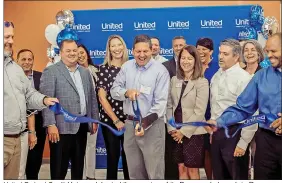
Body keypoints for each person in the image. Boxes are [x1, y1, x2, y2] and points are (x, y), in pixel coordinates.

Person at [208, 33, 282, 180]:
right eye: (267, 51)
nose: (269, 55)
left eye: (274, 51)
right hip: (266, 140)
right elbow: (243, 107)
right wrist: (219, 121)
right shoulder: (261, 77)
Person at [4, 21, 58, 179]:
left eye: (12, 37)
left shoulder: (15, 69)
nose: (11, 41)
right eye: (7, 37)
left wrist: (45, 100)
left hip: (17, 138)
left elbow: (29, 94)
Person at [110, 34, 170, 179]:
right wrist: (126, 92)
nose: (141, 55)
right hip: (130, 125)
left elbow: (160, 104)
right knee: (134, 173)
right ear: (132, 51)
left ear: (151, 50)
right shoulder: (126, 67)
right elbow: (113, 90)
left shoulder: (160, 71)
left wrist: (144, 123)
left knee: (154, 172)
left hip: (152, 126)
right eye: (138, 51)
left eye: (145, 51)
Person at [40, 39, 99, 180]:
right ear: (61, 53)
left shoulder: (85, 72)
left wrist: (94, 118)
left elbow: (92, 98)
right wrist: (50, 124)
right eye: (68, 51)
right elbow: (47, 100)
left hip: (82, 126)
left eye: (75, 50)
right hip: (61, 128)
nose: (72, 53)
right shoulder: (51, 71)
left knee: (78, 169)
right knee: (59, 169)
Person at [208, 39, 257, 180]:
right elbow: (215, 105)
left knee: (236, 176)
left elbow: (253, 112)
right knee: (218, 176)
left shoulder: (244, 79)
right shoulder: (217, 76)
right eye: (219, 53)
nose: (220, 56)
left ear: (236, 57)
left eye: (225, 53)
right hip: (218, 134)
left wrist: (243, 143)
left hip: (236, 134)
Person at [166, 45, 209, 179]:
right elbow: (169, 106)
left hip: (193, 133)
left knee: (192, 170)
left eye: (189, 58)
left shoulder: (202, 82)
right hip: (175, 131)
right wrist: (172, 128)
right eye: (182, 58)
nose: (185, 61)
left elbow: (200, 111)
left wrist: (183, 132)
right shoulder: (174, 80)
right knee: (181, 168)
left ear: (196, 60)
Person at [96, 35, 129, 180]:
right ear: (109, 49)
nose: (117, 48)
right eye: (113, 46)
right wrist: (116, 120)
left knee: (130, 157)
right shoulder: (103, 69)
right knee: (113, 156)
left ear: (124, 46)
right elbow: (102, 98)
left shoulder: (131, 67)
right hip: (110, 120)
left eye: (119, 45)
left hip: (130, 119)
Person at [16, 49, 46, 180]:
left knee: (35, 159)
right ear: (17, 61)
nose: (27, 62)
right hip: (17, 122)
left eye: (29, 59)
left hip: (39, 123)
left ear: (33, 61)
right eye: (23, 59)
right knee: (19, 161)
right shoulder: (12, 79)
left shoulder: (42, 76)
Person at [163, 35, 186, 179]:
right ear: (172, 47)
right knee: (171, 157)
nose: (178, 48)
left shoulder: (192, 64)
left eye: (181, 45)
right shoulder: (165, 66)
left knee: (187, 162)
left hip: (188, 119)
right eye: (176, 45)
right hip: (170, 118)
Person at [196, 37, 218, 180]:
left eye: (204, 49)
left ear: (211, 51)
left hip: (213, 116)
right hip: (197, 116)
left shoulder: (217, 67)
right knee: (203, 152)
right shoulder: (193, 66)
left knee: (213, 151)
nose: (201, 52)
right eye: (198, 49)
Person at [77, 44, 99, 180]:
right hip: (79, 114)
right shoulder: (74, 72)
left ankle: (90, 175)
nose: (80, 55)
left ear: (87, 53)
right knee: (80, 146)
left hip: (94, 113)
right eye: (77, 53)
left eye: (82, 52)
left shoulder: (96, 70)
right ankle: (80, 175)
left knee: (91, 144)